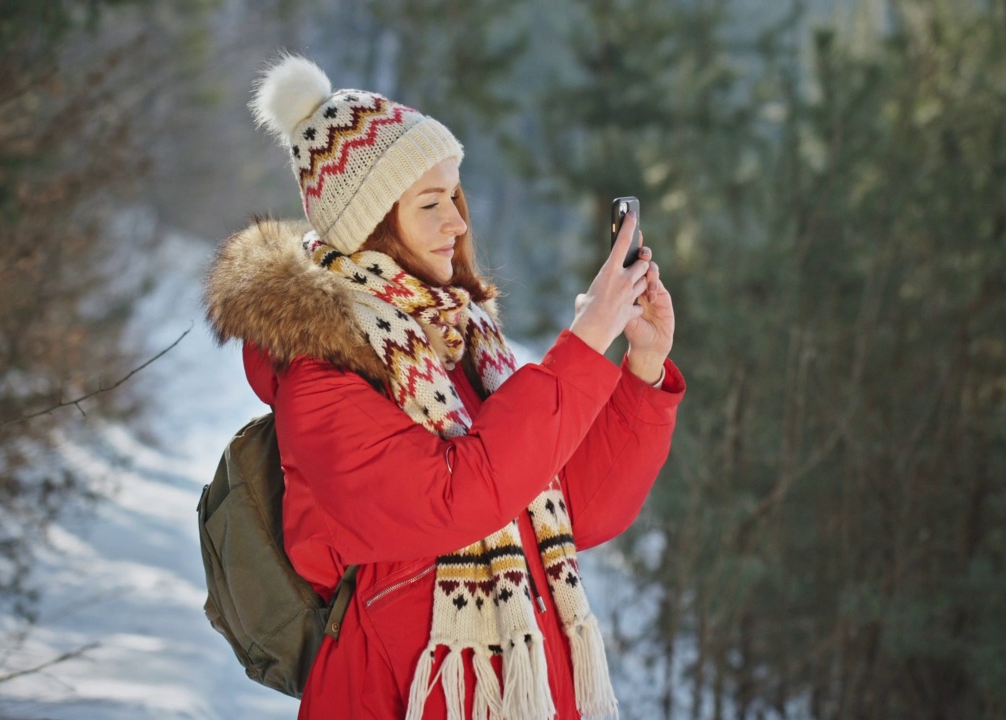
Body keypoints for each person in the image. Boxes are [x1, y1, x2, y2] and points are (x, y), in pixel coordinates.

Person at [203, 54, 684, 720]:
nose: (456, 223)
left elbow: (576, 509)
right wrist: (582, 345)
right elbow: (455, 497)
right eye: (430, 203)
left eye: (455, 197)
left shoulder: (464, 344)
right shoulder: (321, 377)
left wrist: (642, 370)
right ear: (368, 224)